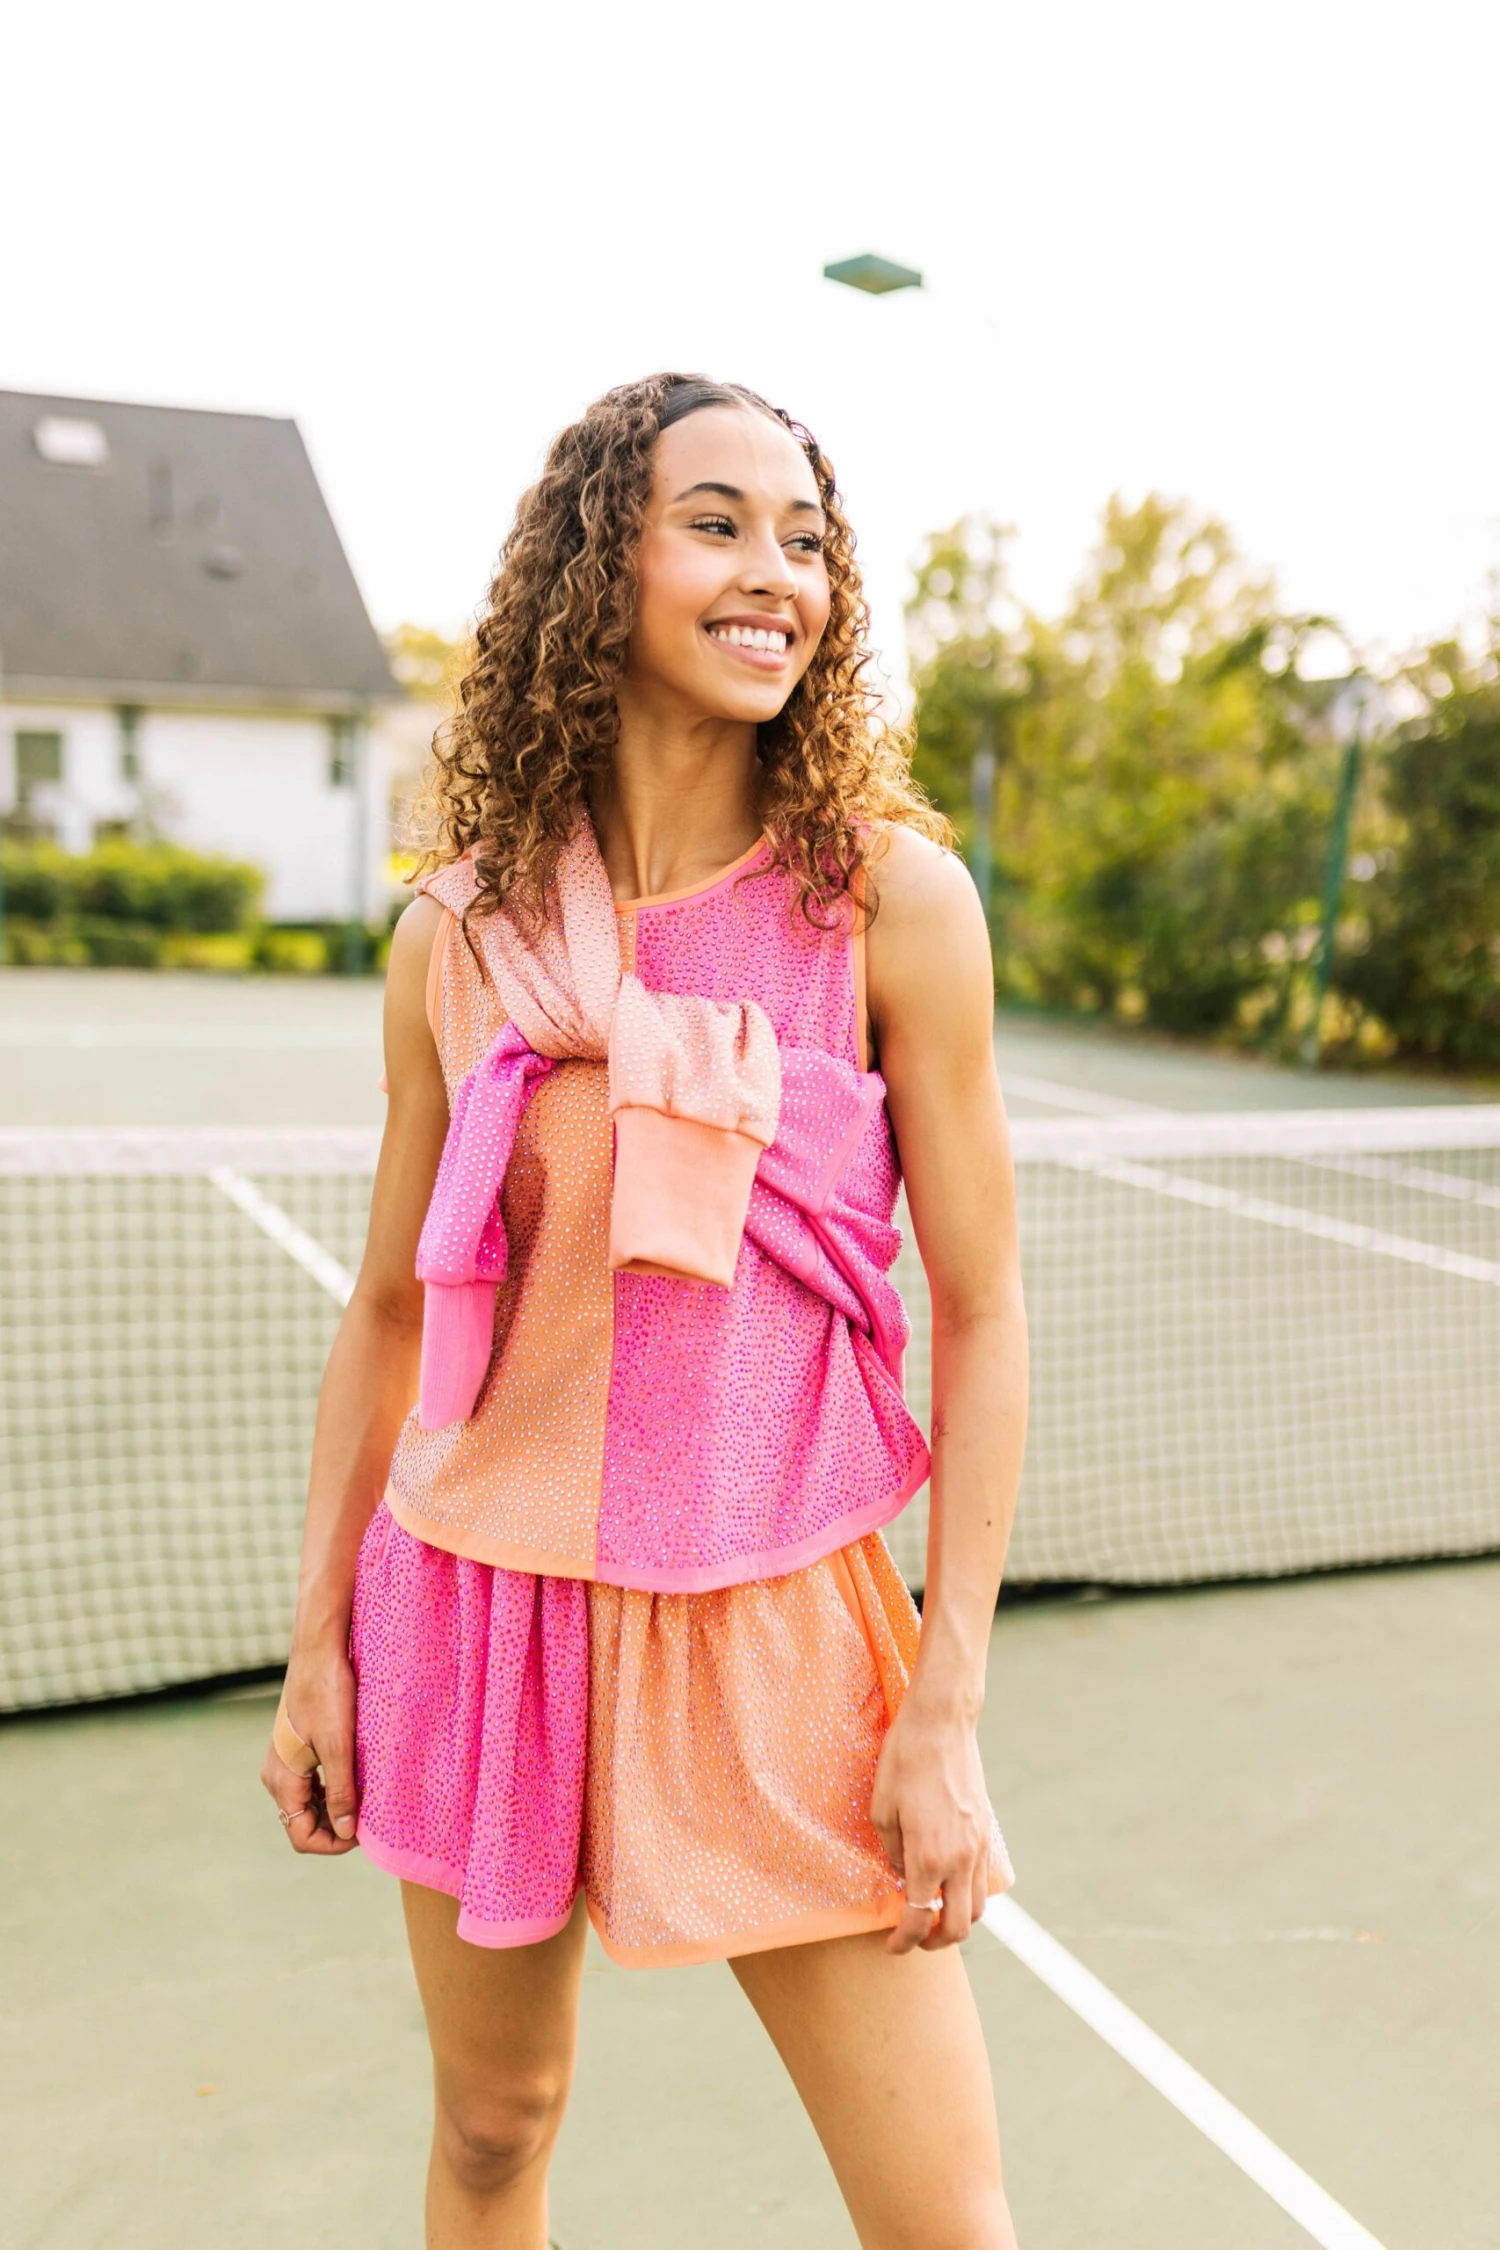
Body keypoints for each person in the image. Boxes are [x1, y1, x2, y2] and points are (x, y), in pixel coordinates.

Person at [262, 372, 1029, 2250]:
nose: (777, 570)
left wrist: (945, 1703)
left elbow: (985, 1304)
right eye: (718, 521)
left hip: (781, 1625)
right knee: (496, 2126)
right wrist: (312, 1644)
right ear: (597, 568)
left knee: (944, 2216)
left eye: (808, 537)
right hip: (476, 1607)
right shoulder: (460, 934)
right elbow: (384, 1308)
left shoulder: (891, 905)